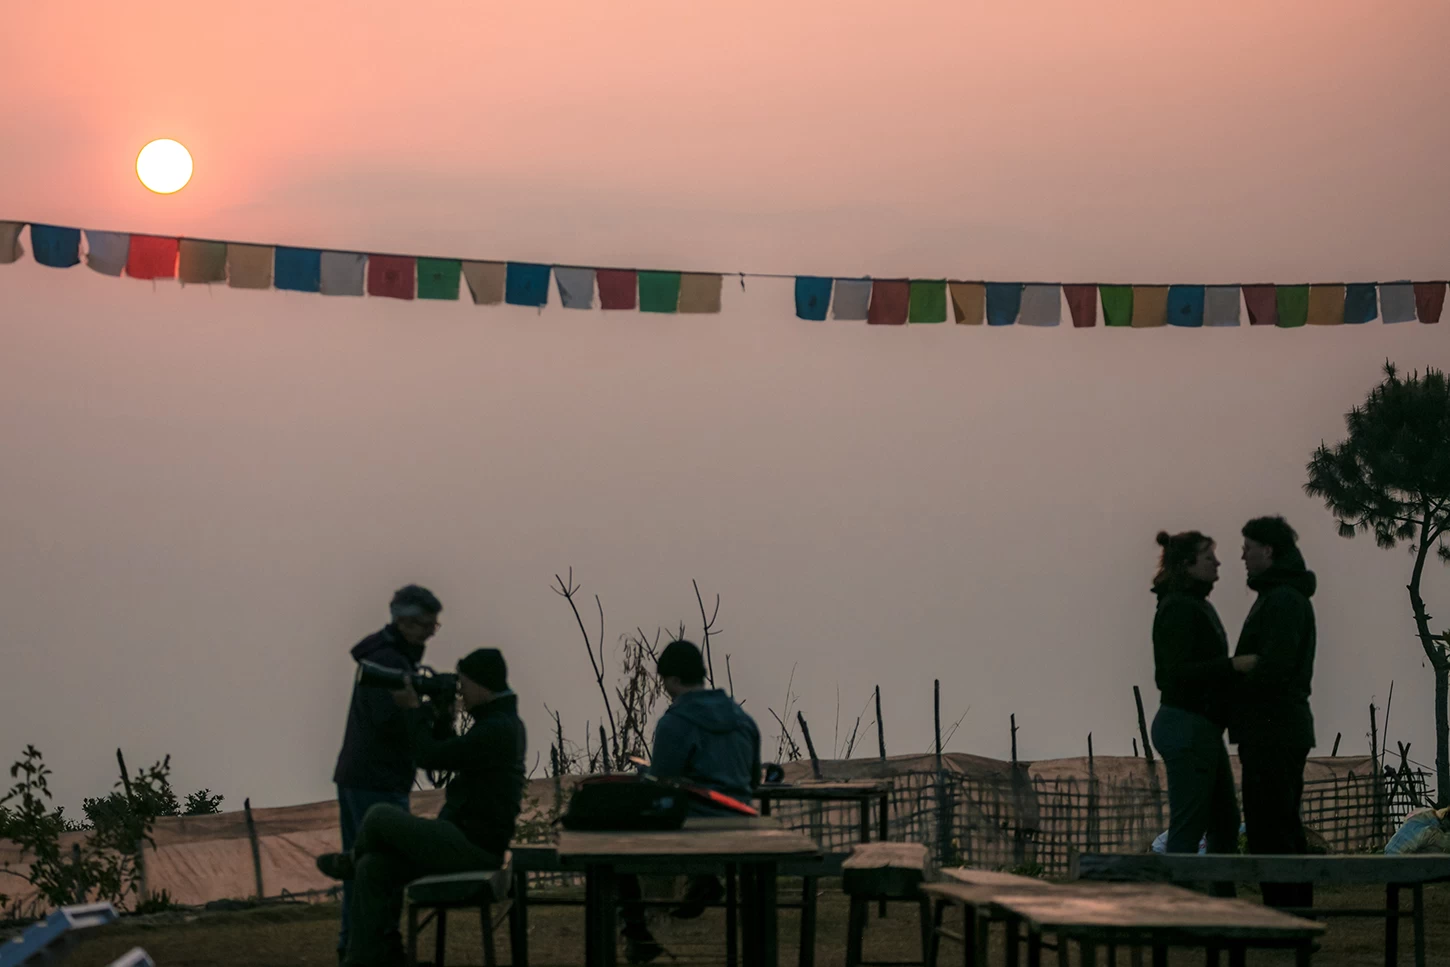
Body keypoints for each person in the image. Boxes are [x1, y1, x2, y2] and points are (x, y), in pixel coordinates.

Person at [317, 648, 527, 967]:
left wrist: (413, 710)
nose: (461, 693)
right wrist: (442, 717)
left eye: (464, 685)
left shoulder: (498, 729)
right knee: (373, 867)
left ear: (483, 686)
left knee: (379, 816)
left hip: (474, 845)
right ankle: (365, 959)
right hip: (463, 839)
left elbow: (430, 757)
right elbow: (448, 754)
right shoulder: (497, 723)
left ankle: (351, 859)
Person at [619, 640, 761, 964]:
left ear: (672, 680)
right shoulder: (743, 719)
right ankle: (703, 882)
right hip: (739, 824)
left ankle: (636, 928)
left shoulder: (675, 723)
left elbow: (662, 786)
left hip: (692, 826)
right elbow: (752, 782)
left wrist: (646, 775)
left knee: (610, 832)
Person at [330, 585, 442, 962]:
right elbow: (389, 721)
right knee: (380, 867)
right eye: (427, 625)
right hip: (376, 780)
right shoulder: (391, 664)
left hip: (361, 775)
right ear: (406, 622)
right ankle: (375, 946)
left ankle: (355, 942)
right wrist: (425, 712)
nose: (430, 633)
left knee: (360, 866)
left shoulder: (383, 659)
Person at [1148, 531, 1256, 894]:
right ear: (1187, 564)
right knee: (1190, 823)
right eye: (1208, 556)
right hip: (1187, 726)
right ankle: (1179, 904)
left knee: (1225, 819)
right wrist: (1231, 667)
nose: (1218, 562)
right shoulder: (1178, 607)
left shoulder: (1193, 604)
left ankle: (1218, 899)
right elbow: (1172, 674)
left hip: (1202, 729)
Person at [1232, 516, 1318, 909]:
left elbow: (1275, 668)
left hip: (1274, 730)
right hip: (1274, 728)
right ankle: (1288, 911)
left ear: (1268, 550)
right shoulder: (1278, 597)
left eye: (1248, 547)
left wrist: (1239, 674)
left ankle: (1288, 913)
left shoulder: (1282, 600)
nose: (1242, 556)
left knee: (1273, 826)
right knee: (1274, 824)